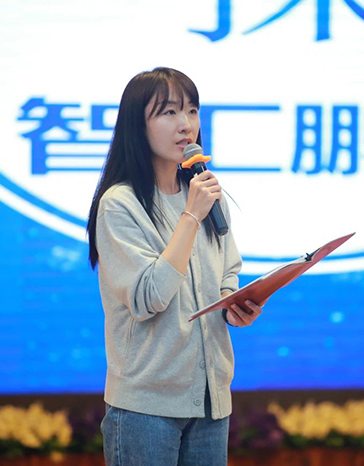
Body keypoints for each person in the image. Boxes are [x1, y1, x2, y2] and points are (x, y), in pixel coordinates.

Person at [86, 67, 263, 465]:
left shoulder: (206, 192)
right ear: (138, 125)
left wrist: (234, 303)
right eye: (169, 112)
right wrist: (190, 216)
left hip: (210, 399)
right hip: (146, 407)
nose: (186, 124)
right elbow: (149, 298)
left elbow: (227, 270)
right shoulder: (120, 204)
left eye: (192, 110)